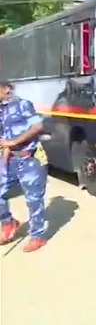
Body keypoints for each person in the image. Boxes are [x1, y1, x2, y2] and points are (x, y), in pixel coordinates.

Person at [0, 81, 49, 252]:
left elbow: (38, 126)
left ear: (6, 89)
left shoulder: (23, 104)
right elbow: (5, 138)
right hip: (11, 159)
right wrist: (4, 159)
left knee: (33, 199)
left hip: (30, 159)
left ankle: (37, 236)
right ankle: (8, 222)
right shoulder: (1, 109)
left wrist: (14, 142)